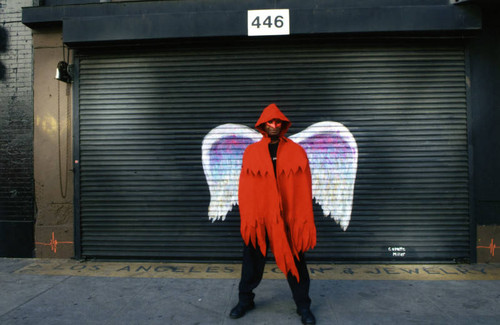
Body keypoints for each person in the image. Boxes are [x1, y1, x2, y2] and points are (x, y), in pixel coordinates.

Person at [230, 103, 317, 325]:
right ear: (262, 125)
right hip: (259, 217)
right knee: (251, 261)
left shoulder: (296, 151)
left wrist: (301, 219)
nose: (274, 125)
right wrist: (250, 218)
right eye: (270, 122)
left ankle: (303, 306)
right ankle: (245, 300)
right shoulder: (252, 152)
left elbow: (304, 187)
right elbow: (245, 188)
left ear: (283, 125)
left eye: (278, 122)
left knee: (296, 262)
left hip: (289, 218)